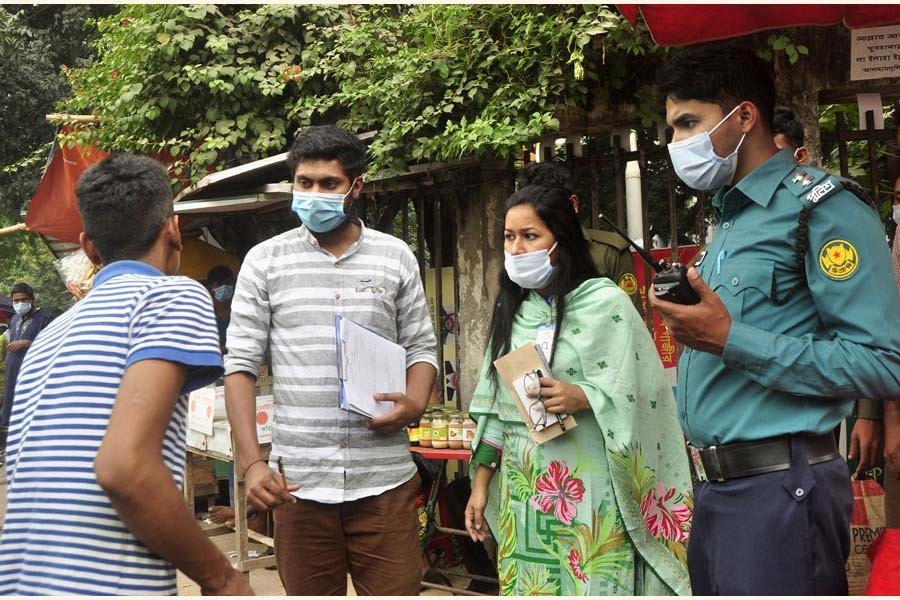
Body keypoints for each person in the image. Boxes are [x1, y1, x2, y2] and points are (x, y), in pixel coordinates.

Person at [652, 44, 900, 595]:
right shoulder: (729, 222)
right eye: (671, 130)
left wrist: (731, 339)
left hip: (782, 492)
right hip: (716, 493)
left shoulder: (822, 209)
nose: (677, 145)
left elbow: (884, 362)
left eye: (689, 123)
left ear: (744, 116)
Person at [0, 154, 252, 595]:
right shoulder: (171, 297)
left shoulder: (49, 335)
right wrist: (224, 579)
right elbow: (125, 469)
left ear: (89, 247)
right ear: (173, 230)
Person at [224, 124, 438, 596]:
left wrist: (416, 402)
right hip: (297, 486)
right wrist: (251, 465)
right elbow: (239, 365)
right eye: (305, 183)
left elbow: (422, 348)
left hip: (382, 480)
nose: (314, 194)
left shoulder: (394, 257)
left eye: (329, 184)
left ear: (355, 187)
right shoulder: (265, 262)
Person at [464, 184, 693, 595]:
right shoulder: (511, 310)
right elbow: (495, 411)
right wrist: (480, 487)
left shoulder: (606, 305)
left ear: (561, 240)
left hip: (592, 500)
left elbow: (643, 396)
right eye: (509, 237)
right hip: (525, 498)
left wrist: (584, 396)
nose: (516, 249)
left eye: (530, 236)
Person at [772, 106, 886, 477]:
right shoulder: (742, 225)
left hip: (814, 420)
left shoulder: (831, 213)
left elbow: (872, 336)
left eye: (775, 159)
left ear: (800, 157)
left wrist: (872, 415)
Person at [518, 161, 644, 315]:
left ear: (573, 204)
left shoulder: (609, 253)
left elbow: (630, 321)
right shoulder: (519, 257)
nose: (542, 216)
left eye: (551, 206)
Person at [0, 283, 54, 464]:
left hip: (35, 374)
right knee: (14, 413)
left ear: (32, 299)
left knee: (34, 413)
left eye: (24, 300)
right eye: (16, 300)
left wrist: (28, 343)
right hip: (13, 373)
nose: (20, 303)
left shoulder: (46, 317)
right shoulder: (14, 319)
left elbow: (54, 343)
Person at [207, 264, 235, 354]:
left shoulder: (239, 308)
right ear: (211, 287)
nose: (224, 287)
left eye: (228, 283)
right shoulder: (206, 312)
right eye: (219, 284)